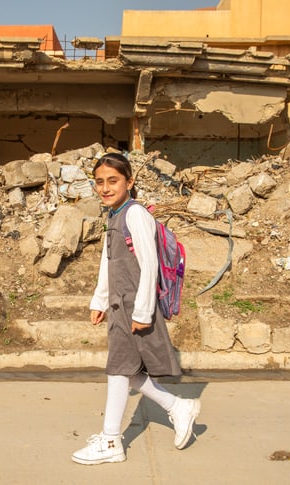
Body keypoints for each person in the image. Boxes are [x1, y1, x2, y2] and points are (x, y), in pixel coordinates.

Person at [71, 152, 201, 465]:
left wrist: (143, 313)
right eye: (99, 182)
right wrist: (99, 300)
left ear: (129, 181)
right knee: (126, 371)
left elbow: (150, 265)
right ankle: (178, 407)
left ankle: (112, 440)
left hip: (133, 306)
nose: (105, 187)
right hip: (118, 305)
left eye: (112, 181)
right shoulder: (113, 214)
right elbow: (108, 261)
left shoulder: (135, 214)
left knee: (119, 370)